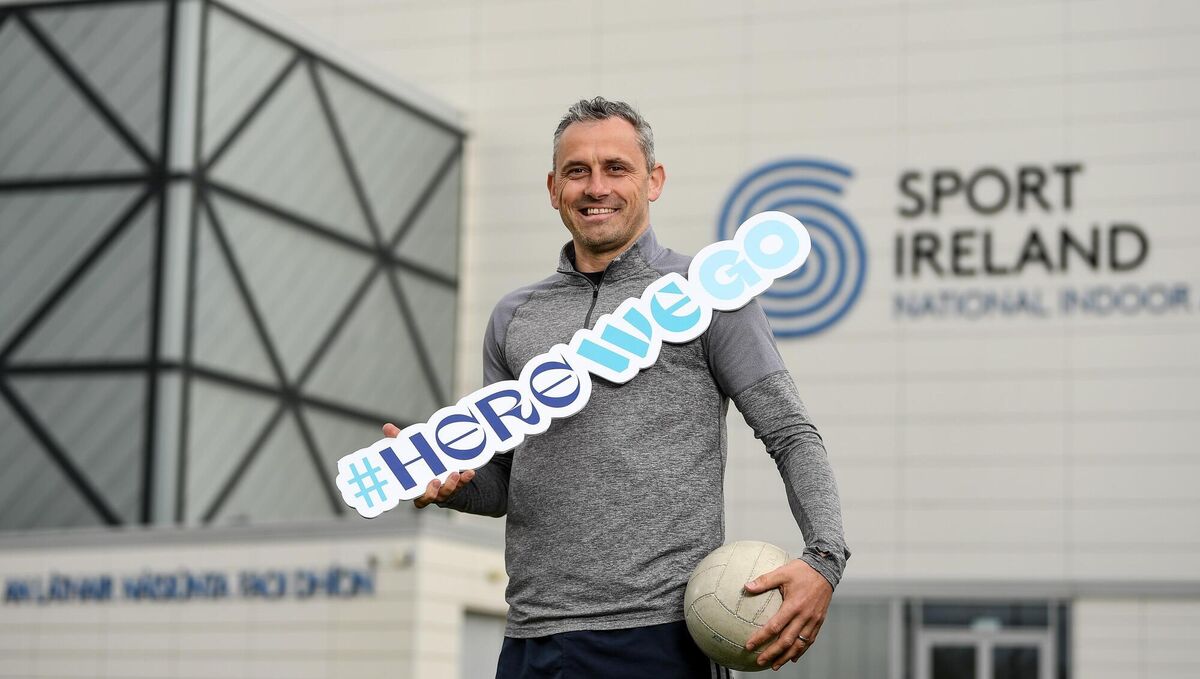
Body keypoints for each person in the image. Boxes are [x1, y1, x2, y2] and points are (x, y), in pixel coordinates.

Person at [383, 97, 849, 678]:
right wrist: (449, 485)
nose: (595, 187)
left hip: (660, 636)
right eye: (577, 171)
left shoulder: (707, 293)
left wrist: (824, 558)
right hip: (532, 636)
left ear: (653, 181)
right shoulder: (514, 316)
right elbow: (504, 481)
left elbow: (791, 433)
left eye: (616, 168)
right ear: (553, 188)